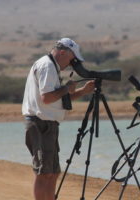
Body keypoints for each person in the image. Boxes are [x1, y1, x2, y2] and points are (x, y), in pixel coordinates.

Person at [22, 38, 95, 200]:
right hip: (40, 124)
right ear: (63, 52)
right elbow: (47, 98)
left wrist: (82, 91)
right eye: (71, 58)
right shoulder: (47, 66)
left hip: (48, 124)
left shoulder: (52, 67)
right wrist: (66, 88)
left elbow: (58, 100)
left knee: (53, 172)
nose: (72, 63)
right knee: (44, 173)